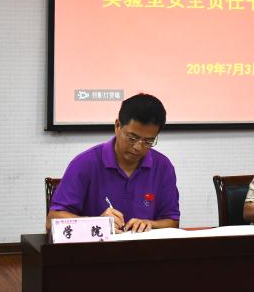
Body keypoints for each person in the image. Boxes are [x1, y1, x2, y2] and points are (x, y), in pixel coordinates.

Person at [47, 93, 180, 233]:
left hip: (144, 246)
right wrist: (97, 223)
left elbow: (172, 222)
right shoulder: (85, 164)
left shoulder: (163, 167)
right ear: (117, 126)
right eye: (132, 138)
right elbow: (52, 221)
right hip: (98, 246)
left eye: (148, 141)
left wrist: (150, 224)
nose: (138, 147)